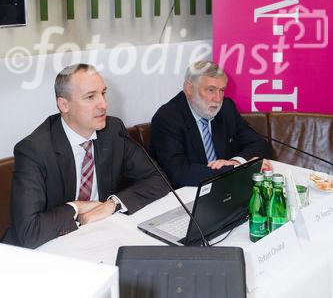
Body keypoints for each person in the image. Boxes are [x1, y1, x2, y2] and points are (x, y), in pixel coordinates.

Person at [4, 64, 169, 249]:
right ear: (64, 105)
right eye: (90, 97)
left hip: (97, 236)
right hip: (41, 249)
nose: (103, 105)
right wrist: (76, 208)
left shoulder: (112, 130)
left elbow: (159, 179)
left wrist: (112, 203)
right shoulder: (34, 150)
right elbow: (29, 231)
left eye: (103, 93)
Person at [150, 61, 271, 188]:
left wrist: (236, 162)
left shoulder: (226, 107)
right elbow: (179, 173)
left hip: (225, 189)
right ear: (189, 88)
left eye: (222, 90)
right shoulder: (168, 118)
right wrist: (237, 170)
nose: (218, 99)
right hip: (188, 195)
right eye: (211, 90)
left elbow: (258, 143)